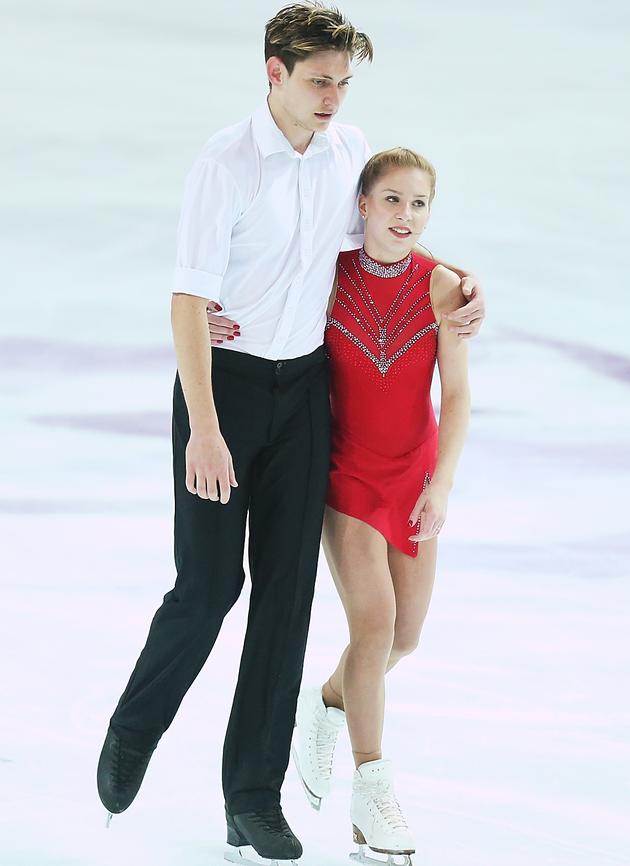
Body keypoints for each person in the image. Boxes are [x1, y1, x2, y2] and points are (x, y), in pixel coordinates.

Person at [97, 4, 484, 865]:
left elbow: (383, 238)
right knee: (208, 589)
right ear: (273, 71)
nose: (333, 97)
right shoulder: (226, 163)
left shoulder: (348, 152)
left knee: (286, 599)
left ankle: (251, 800)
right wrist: (203, 427)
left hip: (305, 392)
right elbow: (189, 301)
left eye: (343, 82)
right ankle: (135, 726)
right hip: (222, 396)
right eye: (318, 80)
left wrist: (456, 275)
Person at [270, 147, 471, 866]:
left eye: (418, 204)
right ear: (362, 205)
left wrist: (441, 483)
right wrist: (215, 319)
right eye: (391, 200)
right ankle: (373, 787)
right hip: (346, 477)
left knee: (404, 638)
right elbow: (268, 297)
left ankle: (326, 701)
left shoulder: (443, 287)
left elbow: (458, 395)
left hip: (413, 479)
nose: (405, 216)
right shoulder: (329, 276)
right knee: (375, 623)